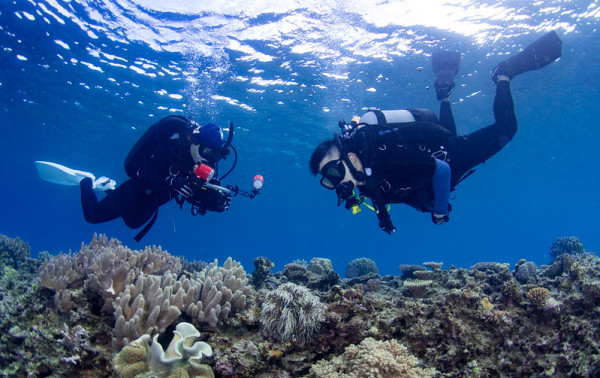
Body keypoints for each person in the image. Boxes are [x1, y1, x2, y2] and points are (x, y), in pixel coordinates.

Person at [309, 31, 562, 234]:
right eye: (328, 180)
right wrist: (395, 213)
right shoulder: (363, 179)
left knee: (506, 129)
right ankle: (445, 96)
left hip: (452, 157)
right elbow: (391, 191)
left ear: (351, 158)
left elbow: (441, 170)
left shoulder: (385, 159)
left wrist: (440, 212)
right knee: (445, 132)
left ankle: (503, 75)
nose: (334, 182)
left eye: (333, 171)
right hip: (438, 148)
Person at [80, 115, 233, 241]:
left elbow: (193, 194)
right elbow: (133, 169)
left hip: (157, 197)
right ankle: (85, 180)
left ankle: (108, 188)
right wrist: (169, 182)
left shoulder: (207, 163)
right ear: (195, 141)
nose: (208, 160)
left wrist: (214, 203)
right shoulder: (171, 141)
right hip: (140, 186)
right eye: (207, 152)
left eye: (214, 156)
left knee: (132, 221)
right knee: (92, 215)